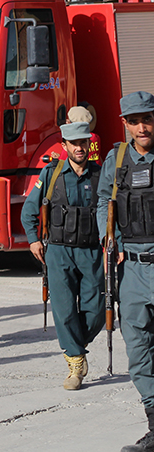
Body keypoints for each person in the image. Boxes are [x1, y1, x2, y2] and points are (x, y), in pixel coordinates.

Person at [21, 121, 103, 390]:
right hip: (58, 251)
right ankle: (75, 362)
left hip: (91, 252)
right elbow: (28, 211)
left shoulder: (100, 175)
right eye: (75, 143)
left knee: (96, 310)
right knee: (64, 309)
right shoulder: (51, 175)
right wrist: (33, 241)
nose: (80, 148)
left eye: (84, 143)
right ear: (65, 146)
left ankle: (75, 342)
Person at [97, 92, 154, 452]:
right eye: (134, 120)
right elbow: (105, 200)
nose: (142, 126)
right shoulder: (116, 160)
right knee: (138, 350)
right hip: (131, 268)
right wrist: (111, 237)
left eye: (147, 118)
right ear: (125, 123)